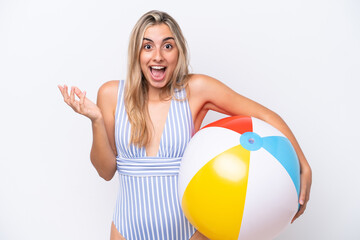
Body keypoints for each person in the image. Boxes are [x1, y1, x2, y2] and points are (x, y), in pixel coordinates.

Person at [58, 10, 312, 240]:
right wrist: (97, 120)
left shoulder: (195, 89)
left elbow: (267, 117)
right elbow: (106, 171)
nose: (157, 56)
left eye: (167, 46)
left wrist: (303, 165)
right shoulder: (112, 94)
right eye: (148, 46)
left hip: (190, 233)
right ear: (137, 53)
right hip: (126, 230)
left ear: (178, 51)